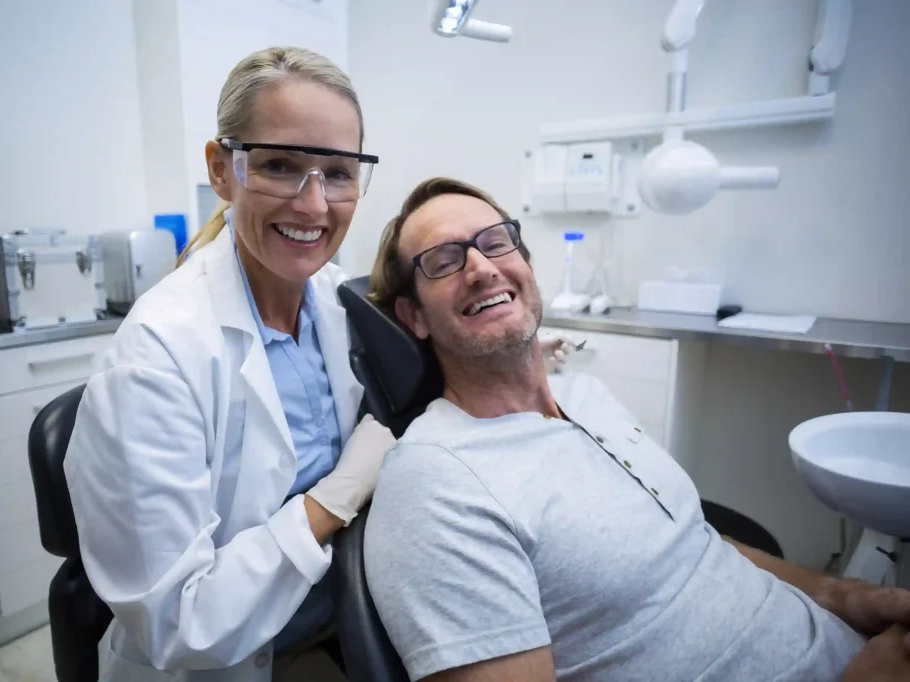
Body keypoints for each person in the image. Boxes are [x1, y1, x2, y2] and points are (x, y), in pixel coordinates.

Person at [362, 177, 910, 682]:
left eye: (496, 241)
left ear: (525, 264)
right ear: (413, 316)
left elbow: (693, 544)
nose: (482, 267)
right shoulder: (438, 484)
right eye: (444, 260)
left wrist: (844, 596)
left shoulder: (587, 398)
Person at [64, 47, 395, 682]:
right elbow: (181, 622)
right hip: (232, 662)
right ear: (222, 168)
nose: (314, 205)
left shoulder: (332, 301)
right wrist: (339, 495)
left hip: (345, 616)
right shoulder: (158, 356)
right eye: (279, 165)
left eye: (338, 172)